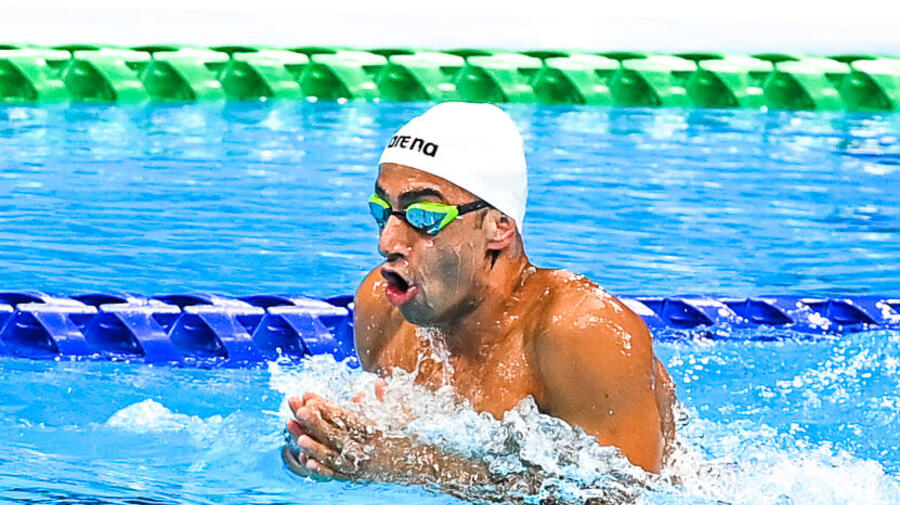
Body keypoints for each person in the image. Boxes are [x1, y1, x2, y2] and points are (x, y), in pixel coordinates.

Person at [283, 102, 675, 492]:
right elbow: (377, 457)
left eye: (424, 217)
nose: (387, 242)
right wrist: (321, 447)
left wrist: (411, 464)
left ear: (499, 227)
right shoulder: (384, 306)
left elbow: (628, 497)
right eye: (384, 211)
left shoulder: (580, 332)